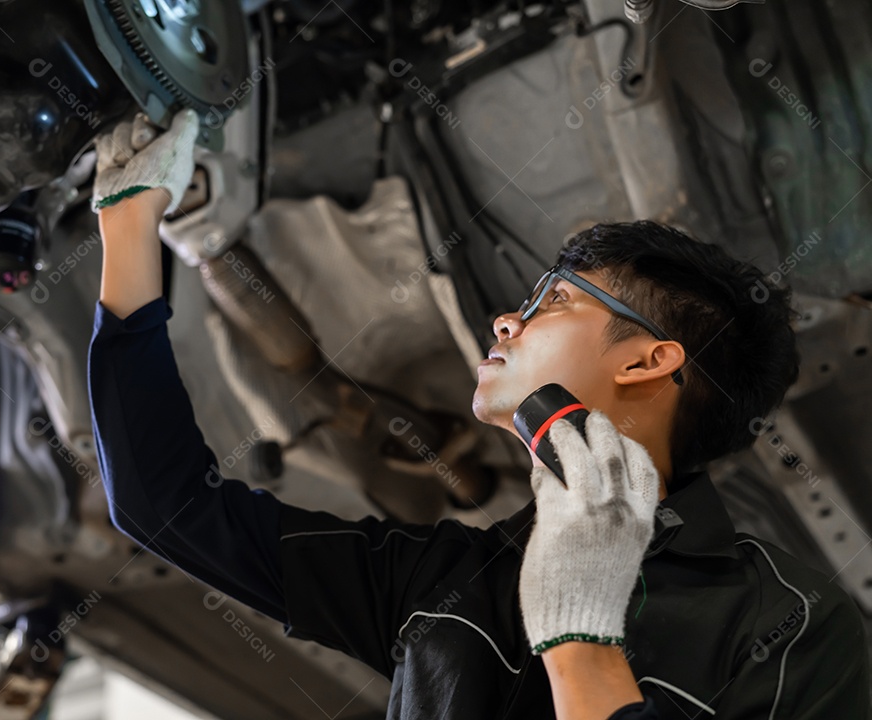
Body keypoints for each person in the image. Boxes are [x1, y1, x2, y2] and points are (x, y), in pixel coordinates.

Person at [86, 109, 870, 719]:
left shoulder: (792, 630)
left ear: (647, 359)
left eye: (555, 301)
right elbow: (166, 506)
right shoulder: (450, 580)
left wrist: (581, 640)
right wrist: (130, 229)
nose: (505, 322)